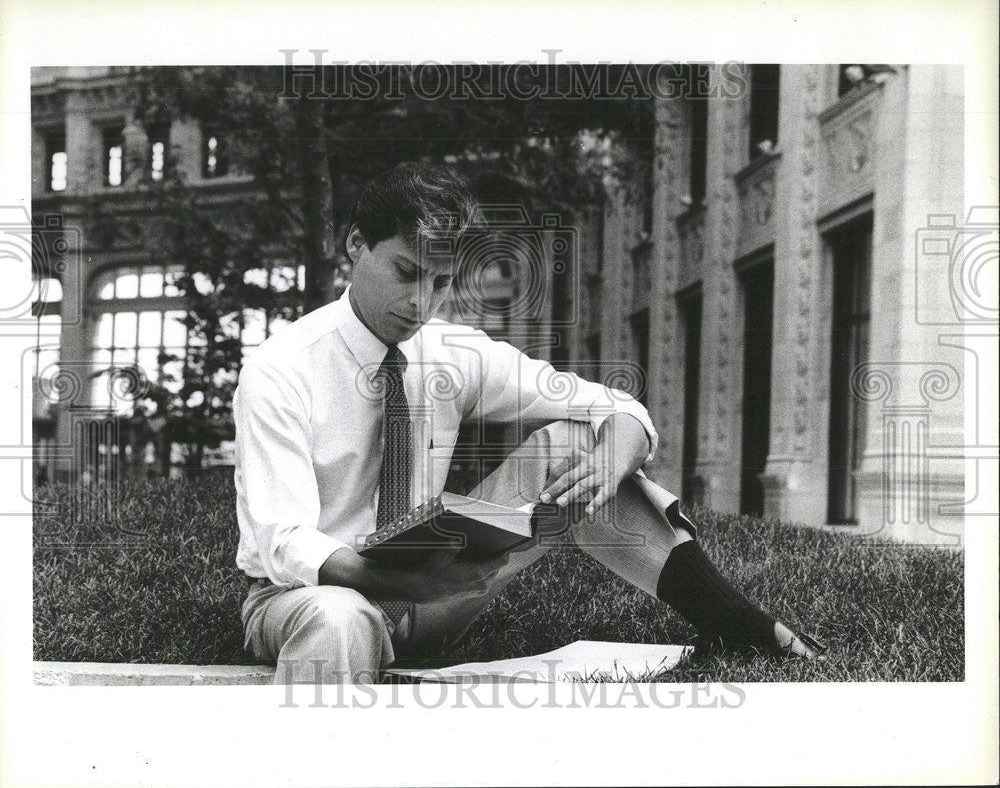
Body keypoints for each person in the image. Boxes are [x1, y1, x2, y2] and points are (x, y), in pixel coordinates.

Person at [234, 162, 824, 684]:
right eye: (406, 272)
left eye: (440, 282)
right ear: (355, 244)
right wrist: (395, 584)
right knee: (339, 617)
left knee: (575, 442)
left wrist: (616, 449)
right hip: (311, 601)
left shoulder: (451, 354)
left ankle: (731, 623)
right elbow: (283, 541)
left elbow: (615, 407)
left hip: (432, 597)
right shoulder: (280, 370)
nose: (421, 303)